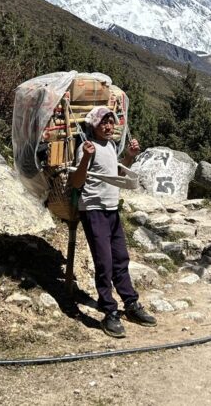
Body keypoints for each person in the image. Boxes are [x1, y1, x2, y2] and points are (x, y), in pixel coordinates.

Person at [70, 105, 157, 338]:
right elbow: (77, 182)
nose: (108, 127)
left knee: (120, 259)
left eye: (111, 122)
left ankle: (130, 304)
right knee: (104, 262)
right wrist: (86, 158)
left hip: (111, 209)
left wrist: (128, 156)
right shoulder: (86, 148)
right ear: (93, 126)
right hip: (94, 210)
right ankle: (109, 311)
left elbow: (116, 178)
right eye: (103, 123)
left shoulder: (109, 146)